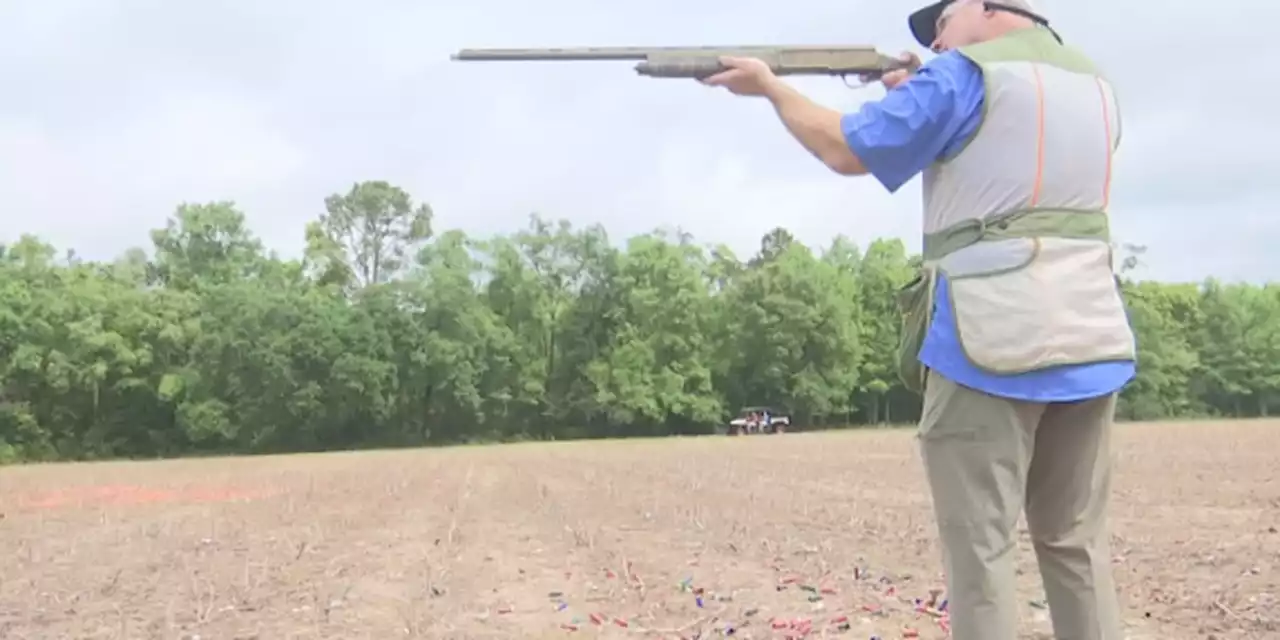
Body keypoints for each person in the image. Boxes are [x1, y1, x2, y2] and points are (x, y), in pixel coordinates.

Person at [699, 1, 1136, 639]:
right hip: (1092, 335)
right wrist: (919, 97)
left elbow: (845, 149)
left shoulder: (962, 76)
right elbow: (1016, 168)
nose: (935, 36)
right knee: (1075, 543)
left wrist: (769, 86)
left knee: (981, 551)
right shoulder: (1096, 86)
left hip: (994, 340)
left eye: (944, 16)